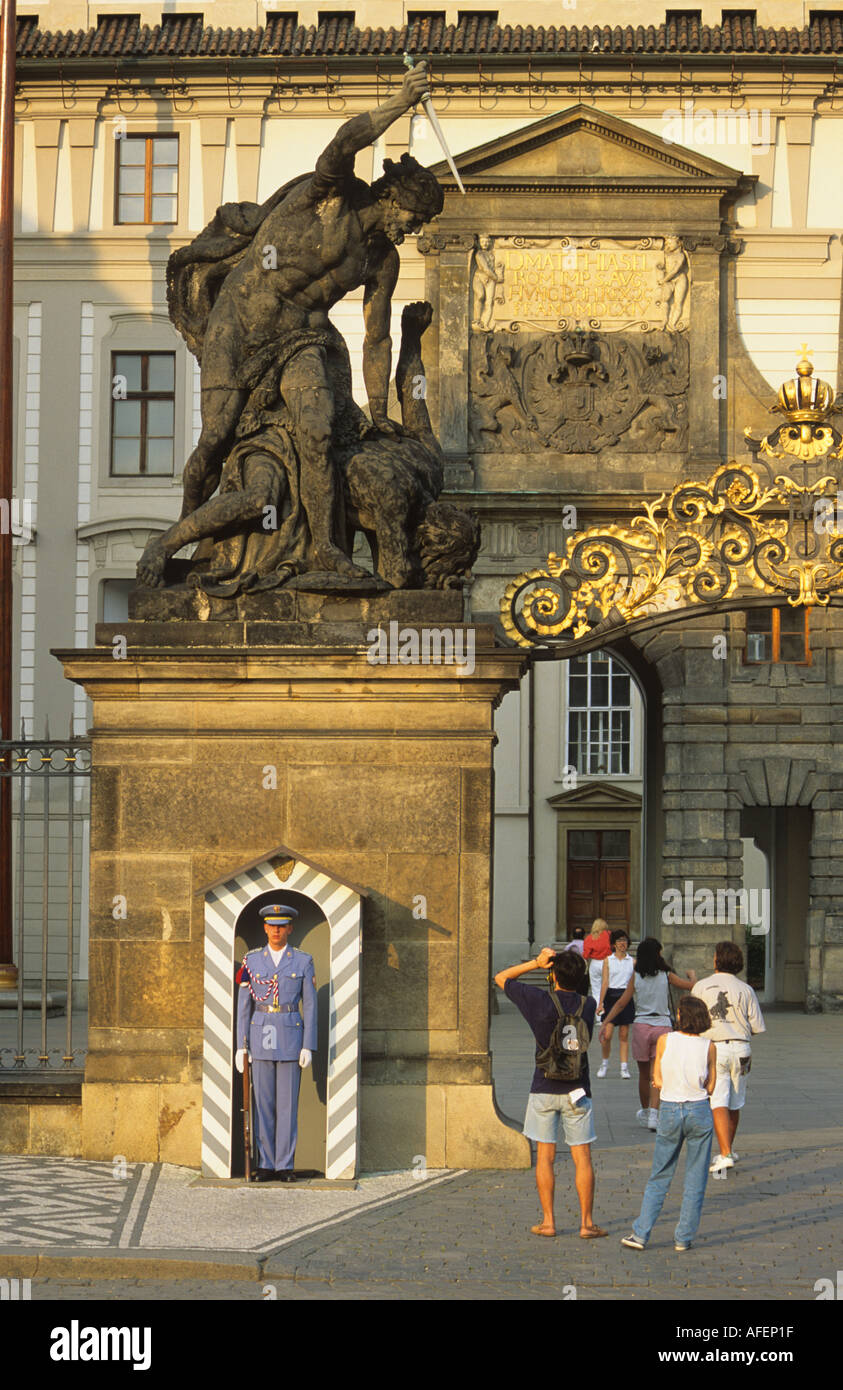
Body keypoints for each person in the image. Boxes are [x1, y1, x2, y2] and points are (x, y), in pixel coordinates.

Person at [138, 60, 443, 586]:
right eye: (413, 220)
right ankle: (187, 542)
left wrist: (379, 411)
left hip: (305, 338)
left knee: (319, 430)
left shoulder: (381, 260)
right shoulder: (330, 196)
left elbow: (376, 336)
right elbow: (344, 141)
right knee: (213, 444)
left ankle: (327, 550)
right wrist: (400, 101)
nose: (413, 231)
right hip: (243, 324)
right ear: (392, 198)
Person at [493, 947, 607, 1240]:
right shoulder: (588, 1003)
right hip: (578, 1089)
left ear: (552, 975)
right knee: (583, 1157)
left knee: (545, 1156)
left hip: (543, 1086)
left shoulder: (539, 1000)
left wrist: (536, 962)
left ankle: (548, 1221)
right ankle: (586, 1223)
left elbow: (501, 977)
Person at [620, 995, 716, 1252]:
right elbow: (711, 1086)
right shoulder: (709, 1046)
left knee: (660, 1174)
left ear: (681, 1016)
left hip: (671, 1109)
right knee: (695, 1178)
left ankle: (641, 1234)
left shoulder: (665, 1040)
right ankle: (683, 1238)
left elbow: (657, 1080)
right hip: (699, 1110)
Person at [235, 903, 317, 1181]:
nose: (276, 931)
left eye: (281, 926)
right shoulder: (252, 961)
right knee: (263, 1105)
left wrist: (308, 1044)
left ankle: (284, 1165)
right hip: (259, 1036)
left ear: (290, 929)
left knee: (287, 1107)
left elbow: (311, 1006)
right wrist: (240, 1044)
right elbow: (244, 1005)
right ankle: (266, 1163)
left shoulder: (303, 961)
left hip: (291, 1036)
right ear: (265, 928)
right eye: (271, 926)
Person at [599, 937, 696, 1130]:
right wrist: (692, 975)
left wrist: (606, 1021)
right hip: (662, 1026)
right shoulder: (666, 974)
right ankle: (654, 1113)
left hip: (642, 1024)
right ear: (657, 954)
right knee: (657, 1074)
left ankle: (645, 1112)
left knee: (643, 1075)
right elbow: (689, 986)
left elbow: (621, 1003)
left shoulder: (636, 976)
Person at [692, 940, 766, 1173]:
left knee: (718, 1101)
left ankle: (724, 1154)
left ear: (716, 960)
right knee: (735, 1101)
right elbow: (756, 1025)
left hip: (715, 1048)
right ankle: (728, 1148)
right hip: (742, 1049)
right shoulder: (746, 989)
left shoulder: (701, 987)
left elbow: (693, 1023)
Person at [597, 929, 635, 1079]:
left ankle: (624, 1067)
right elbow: (605, 982)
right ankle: (604, 1064)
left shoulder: (632, 961)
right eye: (619, 941)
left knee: (624, 1034)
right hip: (611, 997)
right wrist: (600, 1003)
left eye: (624, 941)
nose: (622, 944)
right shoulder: (608, 960)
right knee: (607, 1034)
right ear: (614, 944)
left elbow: (633, 983)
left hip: (625, 996)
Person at [583, 917, 611, 1012]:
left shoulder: (590, 938)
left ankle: (599, 1016)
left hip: (595, 963)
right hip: (608, 962)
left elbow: (586, 954)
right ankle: (609, 1013)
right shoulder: (609, 935)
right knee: (609, 987)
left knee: (596, 990)